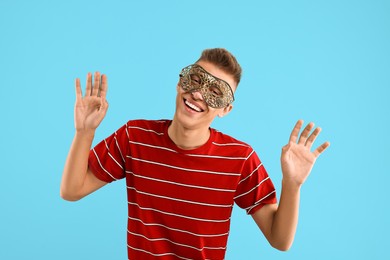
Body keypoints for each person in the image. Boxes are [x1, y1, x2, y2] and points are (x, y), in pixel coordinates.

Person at [60, 48, 330, 259]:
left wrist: (291, 185)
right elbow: (72, 190)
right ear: (180, 83)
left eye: (215, 92)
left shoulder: (240, 159)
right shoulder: (134, 138)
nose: (199, 94)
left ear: (225, 109)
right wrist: (84, 132)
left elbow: (279, 240)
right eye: (196, 80)